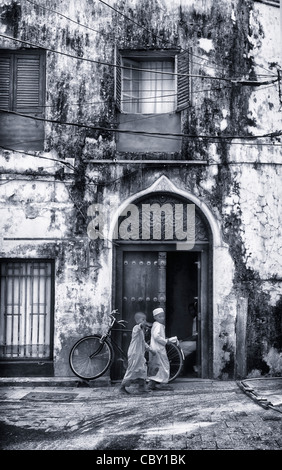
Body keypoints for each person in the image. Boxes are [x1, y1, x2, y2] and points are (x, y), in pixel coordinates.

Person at [119, 311, 154, 394]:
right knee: (131, 370)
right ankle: (122, 387)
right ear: (137, 321)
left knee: (142, 370)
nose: (144, 321)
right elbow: (139, 326)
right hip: (134, 354)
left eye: (145, 319)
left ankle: (142, 387)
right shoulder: (136, 328)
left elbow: (143, 343)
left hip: (140, 355)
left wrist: (151, 350)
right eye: (143, 319)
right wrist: (145, 324)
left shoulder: (141, 332)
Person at [147, 307, 174, 391]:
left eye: (163, 316)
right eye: (159, 316)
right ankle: (162, 384)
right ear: (155, 317)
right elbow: (156, 336)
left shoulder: (156, 324)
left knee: (156, 366)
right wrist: (165, 341)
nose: (162, 318)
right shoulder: (158, 325)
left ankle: (152, 384)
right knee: (163, 365)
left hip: (155, 348)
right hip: (158, 349)